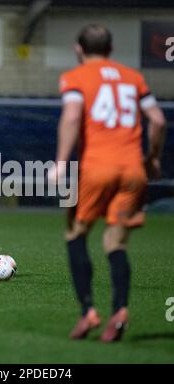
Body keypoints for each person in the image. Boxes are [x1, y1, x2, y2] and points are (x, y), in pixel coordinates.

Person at [49, 24, 166, 342]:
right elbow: (157, 119)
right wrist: (153, 158)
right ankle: (120, 310)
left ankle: (88, 311)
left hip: (97, 169)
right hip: (132, 172)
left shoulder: (76, 78)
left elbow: (72, 117)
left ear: (78, 49)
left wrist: (60, 163)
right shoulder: (133, 77)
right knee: (115, 243)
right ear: (111, 49)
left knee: (76, 233)